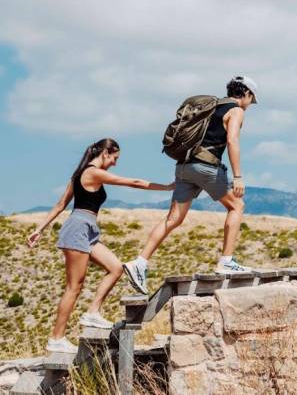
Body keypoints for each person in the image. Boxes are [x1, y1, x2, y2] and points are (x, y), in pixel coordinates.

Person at [26, 138, 174, 354]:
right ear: (106, 152)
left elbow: (60, 205)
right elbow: (133, 182)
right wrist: (168, 187)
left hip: (87, 230)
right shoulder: (93, 172)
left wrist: (39, 229)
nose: (115, 163)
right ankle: (56, 338)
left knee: (116, 268)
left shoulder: (80, 174)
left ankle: (92, 313)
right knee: (74, 287)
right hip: (78, 229)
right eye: (115, 158)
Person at [123, 76, 258, 295]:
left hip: (184, 166)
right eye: (252, 100)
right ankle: (227, 261)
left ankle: (139, 262)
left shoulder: (212, 106)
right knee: (237, 206)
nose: (250, 105)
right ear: (247, 94)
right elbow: (232, 140)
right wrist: (238, 176)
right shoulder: (236, 110)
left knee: (173, 219)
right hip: (207, 167)